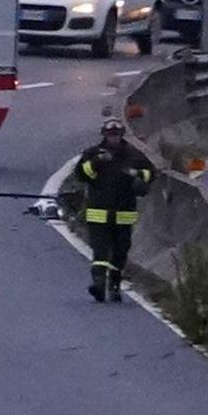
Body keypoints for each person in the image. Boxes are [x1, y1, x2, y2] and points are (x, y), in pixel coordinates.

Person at [74, 118, 154, 302]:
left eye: (116, 135)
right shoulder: (92, 154)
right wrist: (96, 162)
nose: (114, 139)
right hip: (98, 213)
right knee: (100, 252)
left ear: (122, 135)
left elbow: (151, 174)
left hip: (124, 214)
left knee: (120, 252)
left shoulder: (134, 156)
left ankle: (115, 283)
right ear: (104, 135)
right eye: (110, 135)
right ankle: (99, 284)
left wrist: (136, 175)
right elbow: (81, 174)